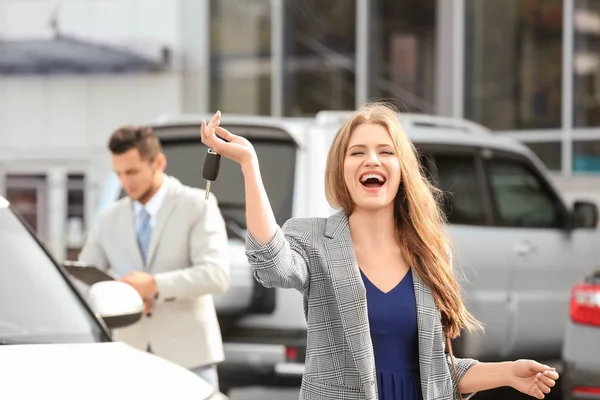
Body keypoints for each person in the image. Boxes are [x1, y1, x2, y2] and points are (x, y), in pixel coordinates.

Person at [199, 104, 560, 400]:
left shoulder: (430, 253)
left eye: (385, 152)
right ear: (341, 170)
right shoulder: (312, 239)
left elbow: (438, 374)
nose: (372, 160)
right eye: (358, 152)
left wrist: (508, 372)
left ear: (402, 170)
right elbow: (271, 264)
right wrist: (250, 166)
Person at [79, 126, 229, 390]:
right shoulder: (108, 218)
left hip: (190, 360)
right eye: (119, 174)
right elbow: (82, 279)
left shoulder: (198, 205)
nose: (126, 182)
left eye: (132, 171)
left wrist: (153, 286)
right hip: (128, 359)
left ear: (158, 162)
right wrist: (121, 296)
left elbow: (215, 274)